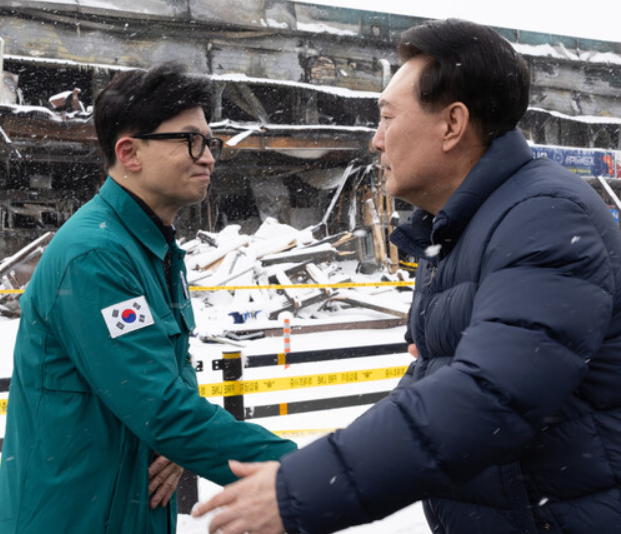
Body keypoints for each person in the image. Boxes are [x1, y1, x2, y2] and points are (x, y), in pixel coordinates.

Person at [193, 18, 621, 534]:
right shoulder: (463, 226)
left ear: (452, 124)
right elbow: (433, 383)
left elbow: (491, 395)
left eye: (387, 117)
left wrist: (305, 489)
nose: (376, 141)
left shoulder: (543, 216)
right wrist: (307, 470)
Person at [0, 63, 296, 534]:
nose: (208, 158)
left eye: (210, 142)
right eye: (190, 141)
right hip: (75, 518)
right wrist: (303, 472)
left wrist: (176, 438)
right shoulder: (95, 257)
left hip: (129, 507)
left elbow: (169, 371)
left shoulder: (151, 248)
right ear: (129, 153)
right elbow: (158, 405)